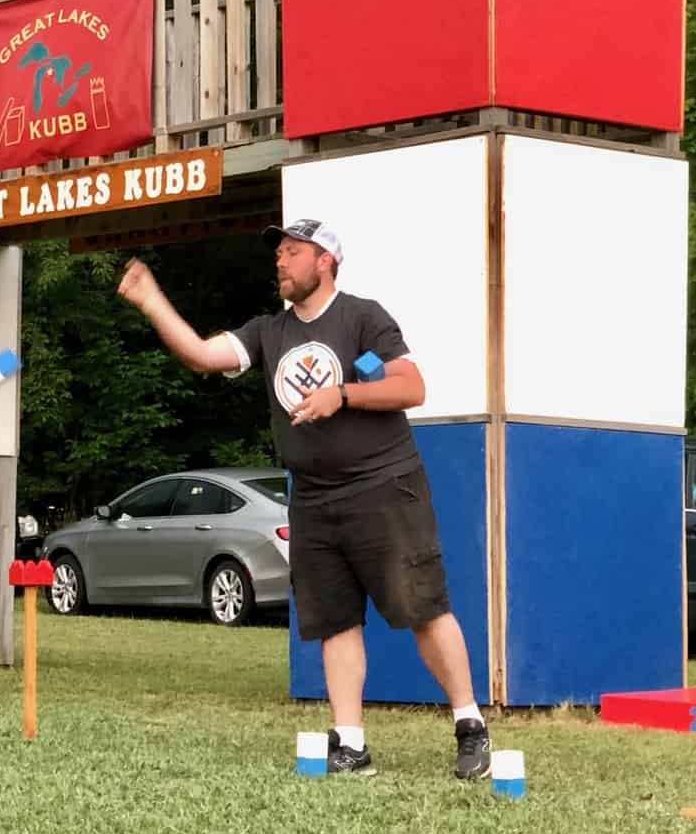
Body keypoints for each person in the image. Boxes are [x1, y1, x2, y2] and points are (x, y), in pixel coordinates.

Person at [116, 219, 491, 779]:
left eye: (293, 252)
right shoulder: (268, 331)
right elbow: (199, 354)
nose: (281, 262)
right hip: (313, 498)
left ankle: (471, 728)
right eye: (279, 254)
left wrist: (341, 394)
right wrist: (151, 300)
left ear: (325, 262)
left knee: (422, 607)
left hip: (385, 486)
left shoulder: (363, 316)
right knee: (335, 620)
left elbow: (411, 387)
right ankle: (350, 743)